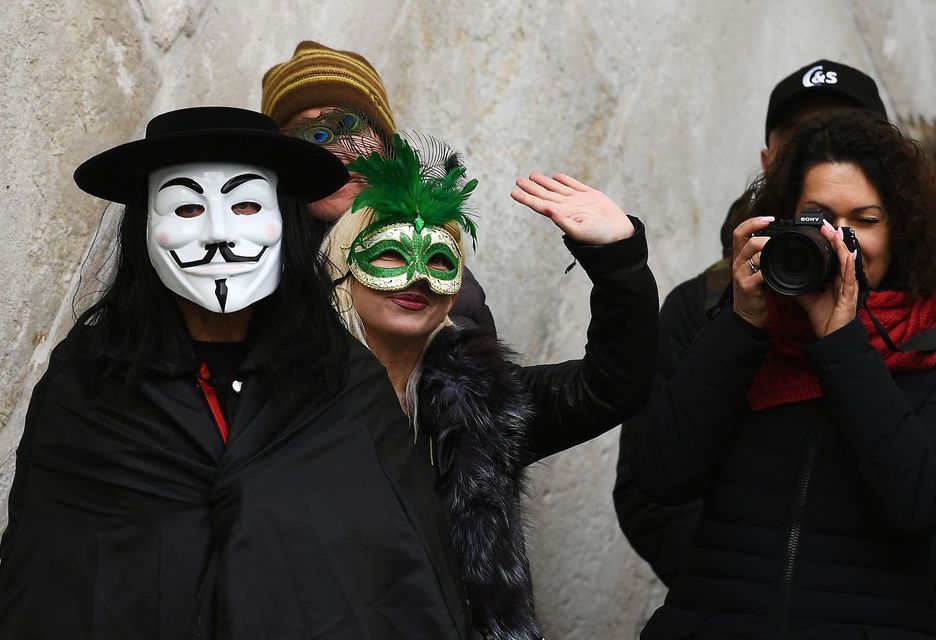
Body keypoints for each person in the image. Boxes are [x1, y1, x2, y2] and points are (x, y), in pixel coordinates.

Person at [0, 107, 474, 639]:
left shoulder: (342, 382)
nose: (218, 234)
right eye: (184, 209)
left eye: (246, 204)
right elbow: (50, 583)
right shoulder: (88, 383)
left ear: (285, 221)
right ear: (145, 228)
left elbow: (397, 577)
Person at [321, 134, 659, 639]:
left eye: (439, 260)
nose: (418, 278)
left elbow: (613, 384)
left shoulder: (486, 404)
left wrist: (619, 262)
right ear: (345, 267)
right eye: (390, 255)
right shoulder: (291, 401)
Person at [634, 109, 936, 638]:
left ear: (900, 229)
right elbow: (660, 474)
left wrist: (841, 344)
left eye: (864, 221)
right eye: (819, 217)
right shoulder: (744, 334)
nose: (841, 241)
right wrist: (742, 323)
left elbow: (915, 505)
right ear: (783, 222)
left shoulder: (925, 346)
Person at [613, 59, 889, 585]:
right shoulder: (703, 306)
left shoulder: (919, 311)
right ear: (769, 161)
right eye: (803, 135)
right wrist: (734, 586)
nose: (825, 147)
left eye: (850, 135)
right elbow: (651, 491)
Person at [260, 40, 496, 336]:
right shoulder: (250, 266)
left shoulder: (434, 264)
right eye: (312, 137)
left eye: (349, 125)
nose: (335, 154)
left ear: (386, 148)